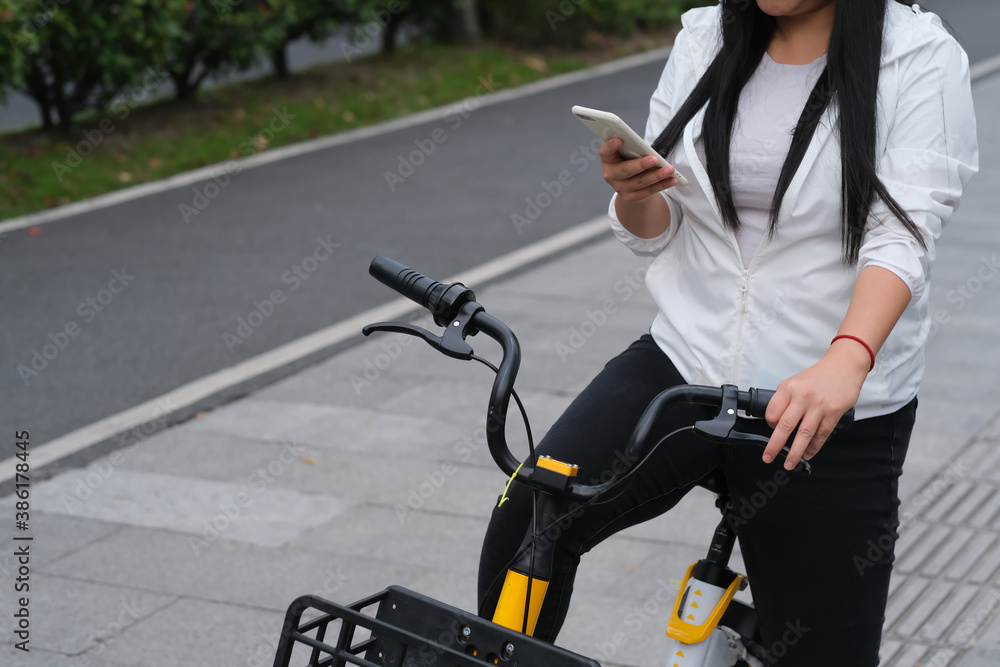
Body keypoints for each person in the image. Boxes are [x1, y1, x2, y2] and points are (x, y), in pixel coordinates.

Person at [477, 0, 978, 663]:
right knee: (532, 519)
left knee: (821, 650)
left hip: (822, 401)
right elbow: (665, 223)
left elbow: (903, 232)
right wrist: (635, 193)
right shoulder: (706, 36)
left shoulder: (916, 55)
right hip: (688, 362)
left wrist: (847, 357)